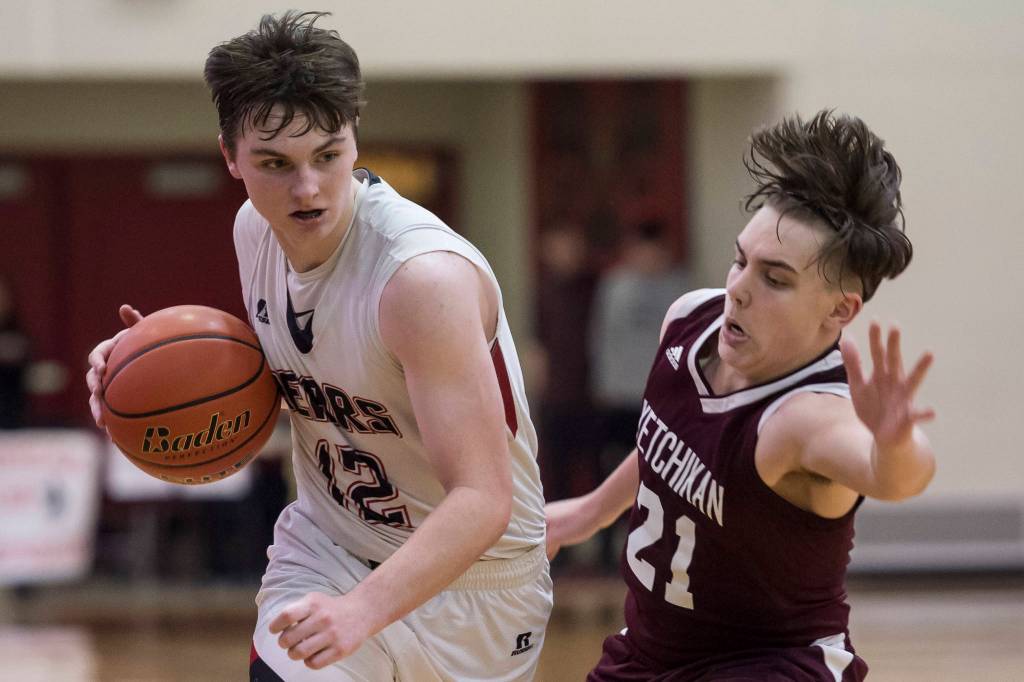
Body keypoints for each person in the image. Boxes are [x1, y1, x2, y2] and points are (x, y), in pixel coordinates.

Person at [85, 11, 551, 681]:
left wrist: (364, 610)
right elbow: (311, 393)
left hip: (473, 585)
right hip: (330, 546)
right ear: (230, 155)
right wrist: (150, 371)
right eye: (275, 164)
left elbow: (483, 498)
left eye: (327, 156)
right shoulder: (254, 229)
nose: (306, 189)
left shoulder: (419, 281)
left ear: (354, 140)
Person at [546, 110, 936, 681]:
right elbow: (669, 447)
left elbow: (896, 476)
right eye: (739, 260)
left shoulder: (807, 418)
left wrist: (895, 440)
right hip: (650, 652)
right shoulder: (687, 319)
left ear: (840, 309)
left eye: (775, 279)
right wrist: (588, 512)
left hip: (770, 666)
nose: (739, 290)